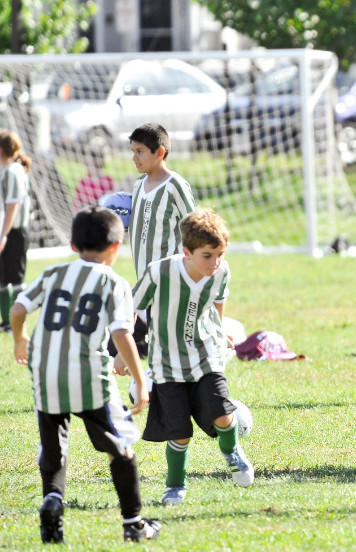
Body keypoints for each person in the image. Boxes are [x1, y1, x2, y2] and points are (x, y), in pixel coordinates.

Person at [10, 206, 161, 543]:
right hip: (90, 376)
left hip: (45, 373)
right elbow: (122, 334)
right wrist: (139, 379)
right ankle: (134, 524)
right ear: (116, 247)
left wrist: (20, 338)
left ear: (73, 245)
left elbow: (18, 308)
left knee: (53, 448)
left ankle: (52, 503)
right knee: (121, 447)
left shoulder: (53, 273)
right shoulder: (115, 283)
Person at [133, 208, 253, 505]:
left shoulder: (222, 271)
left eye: (220, 255)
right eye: (207, 256)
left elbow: (219, 302)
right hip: (166, 364)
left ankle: (232, 451)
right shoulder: (159, 271)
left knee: (224, 412)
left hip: (206, 354)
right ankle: (175, 485)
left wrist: (221, 330)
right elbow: (133, 309)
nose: (215, 263)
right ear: (187, 251)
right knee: (179, 432)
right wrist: (127, 352)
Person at [128, 123, 196, 281]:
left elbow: (195, 229)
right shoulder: (138, 185)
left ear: (159, 153)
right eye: (133, 152)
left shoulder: (175, 185)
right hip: (143, 278)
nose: (134, 158)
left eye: (140, 152)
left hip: (172, 279)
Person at [0, 130, 32, 333]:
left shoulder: (13, 171)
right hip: (9, 231)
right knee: (3, 278)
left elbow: (13, 205)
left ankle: (18, 324)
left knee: (16, 279)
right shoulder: (8, 169)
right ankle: (7, 322)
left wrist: (4, 234)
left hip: (15, 232)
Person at [73, 147, 117, 212]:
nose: (85, 164)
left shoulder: (108, 181)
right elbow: (77, 204)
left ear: (97, 161)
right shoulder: (83, 182)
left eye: (88, 162)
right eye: (85, 162)